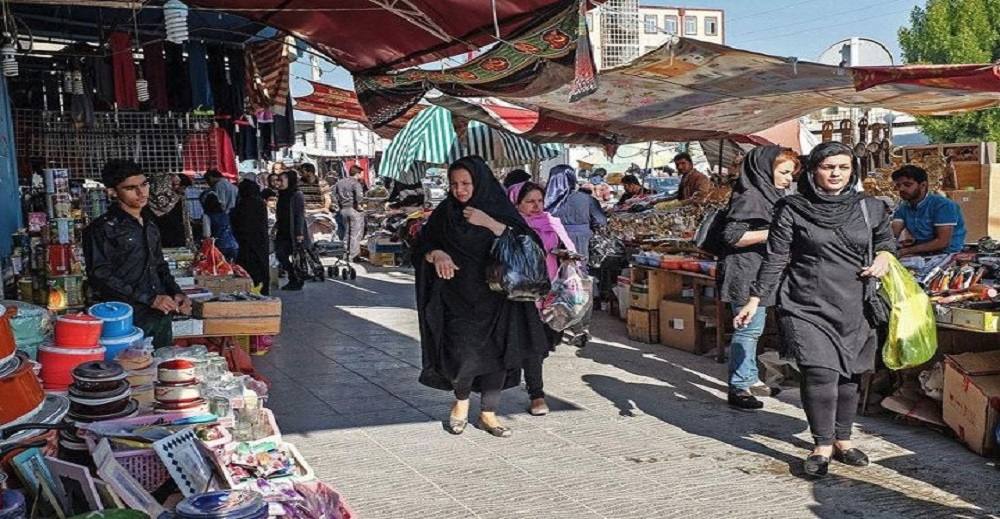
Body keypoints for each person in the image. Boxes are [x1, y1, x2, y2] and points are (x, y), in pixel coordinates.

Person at [734, 141, 895, 478]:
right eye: (827, 167)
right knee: (820, 372)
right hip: (805, 303)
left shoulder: (869, 206)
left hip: (855, 304)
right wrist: (755, 299)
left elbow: (885, 242)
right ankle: (822, 444)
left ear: (852, 172)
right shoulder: (792, 208)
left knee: (850, 376)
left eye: (843, 167)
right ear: (812, 170)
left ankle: (843, 441)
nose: (835, 173)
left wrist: (883, 257)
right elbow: (777, 257)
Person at [415, 156, 549, 438]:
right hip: (457, 297)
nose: (460, 190)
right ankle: (461, 404)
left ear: (480, 182)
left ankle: (489, 413)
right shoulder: (445, 213)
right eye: (454, 184)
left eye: (466, 183)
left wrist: (490, 223)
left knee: (497, 356)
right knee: (461, 354)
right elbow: (421, 246)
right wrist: (436, 254)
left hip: (499, 298)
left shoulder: (497, 209)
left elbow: (530, 244)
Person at [718, 146, 799, 411]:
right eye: (784, 172)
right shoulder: (751, 196)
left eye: (791, 173)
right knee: (749, 329)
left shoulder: (767, 194)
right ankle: (738, 387)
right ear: (765, 169)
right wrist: (777, 232)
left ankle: (750, 377)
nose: (789, 179)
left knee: (755, 329)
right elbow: (733, 236)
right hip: (746, 273)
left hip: (760, 271)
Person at [83, 159, 192, 349]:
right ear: (112, 192)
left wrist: (176, 292)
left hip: (159, 316)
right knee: (131, 372)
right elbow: (100, 275)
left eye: (144, 184)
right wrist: (150, 299)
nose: (142, 193)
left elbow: (159, 265)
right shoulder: (101, 229)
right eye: (131, 188)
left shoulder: (150, 224)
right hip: (123, 319)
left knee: (162, 368)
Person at [507, 181, 577, 416]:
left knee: (548, 341)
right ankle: (537, 395)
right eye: (530, 202)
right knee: (534, 345)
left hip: (553, 291)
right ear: (517, 204)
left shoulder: (551, 222)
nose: (537, 206)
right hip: (525, 293)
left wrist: (567, 255)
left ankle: (530, 374)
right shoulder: (512, 226)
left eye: (539, 201)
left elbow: (565, 246)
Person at [891, 165, 967, 256]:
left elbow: (942, 242)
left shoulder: (943, 205)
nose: (901, 189)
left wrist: (905, 251)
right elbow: (893, 233)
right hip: (921, 254)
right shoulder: (904, 207)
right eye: (898, 185)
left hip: (948, 254)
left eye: (907, 185)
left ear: (923, 185)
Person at [546, 165, 607, 263]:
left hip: (552, 240)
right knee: (578, 270)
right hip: (580, 240)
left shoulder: (543, 200)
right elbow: (600, 221)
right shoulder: (587, 199)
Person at [232, 178, 270, 295]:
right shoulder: (260, 203)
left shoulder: (242, 204)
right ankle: (263, 289)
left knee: (249, 267)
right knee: (261, 265)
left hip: (245, 241)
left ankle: (250, 290)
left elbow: (237, 222)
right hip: (260, 239)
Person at [275, 169, 308, 291]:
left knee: (294, 256)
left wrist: (299, 233)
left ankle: (296, 279)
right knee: (281, 255)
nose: (279, 182)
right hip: (283, 230)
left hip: (293, 231)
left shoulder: (296, 194)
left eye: (282, 180)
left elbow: (299, 214)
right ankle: (293, 277)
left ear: (290, 180)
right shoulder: (282, 194)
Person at [334, 165, 366, 262]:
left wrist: (339, 205)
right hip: (353, 210)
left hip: (343, 210)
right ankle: (353, 255)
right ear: (357, 173)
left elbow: (333, 195)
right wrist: (360, 206)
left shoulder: (340, 182)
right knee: (355, 233)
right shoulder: (356, 183)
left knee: (346, 232)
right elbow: (359, 197)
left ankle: (344, 253)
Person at [200, 189, 239, 262]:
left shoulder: (207, 216)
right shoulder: (225, 214)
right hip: (234, 245)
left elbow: (206, 234)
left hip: (219, 247)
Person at [155, 173, 193, 248]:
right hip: (169, 229)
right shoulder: (171, 197)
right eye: (184, 187)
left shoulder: (177, 196)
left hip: (171, 229)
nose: (184, 190)